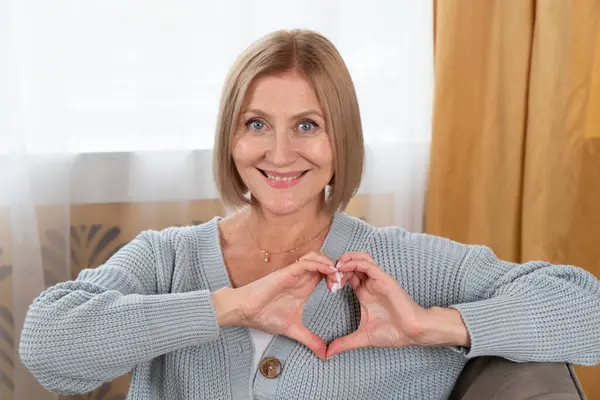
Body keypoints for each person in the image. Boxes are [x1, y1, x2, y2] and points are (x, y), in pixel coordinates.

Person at [19, 29, 600, 400]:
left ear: (340, 140)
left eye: (306, 125)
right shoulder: (167, 257)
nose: (278, 153)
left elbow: (587, 312)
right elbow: (49, 349)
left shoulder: (402, 264)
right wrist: (232, 306)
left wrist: (430, 325)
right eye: (255, 125)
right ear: (230, 140)